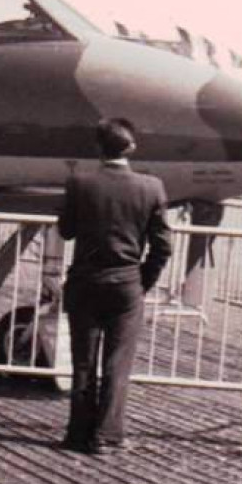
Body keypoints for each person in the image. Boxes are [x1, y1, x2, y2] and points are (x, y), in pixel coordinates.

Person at [56, 118, 172, 455]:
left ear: (98, 147)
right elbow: (163, 246)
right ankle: (107, 435)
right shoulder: (152, 187)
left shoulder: (79, 182)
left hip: (85, 281)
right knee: (117, 363)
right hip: (126, 283)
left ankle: (78, 433)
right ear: (131, 147)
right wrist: (141, 281)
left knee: (82, 360)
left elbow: (67, 231)